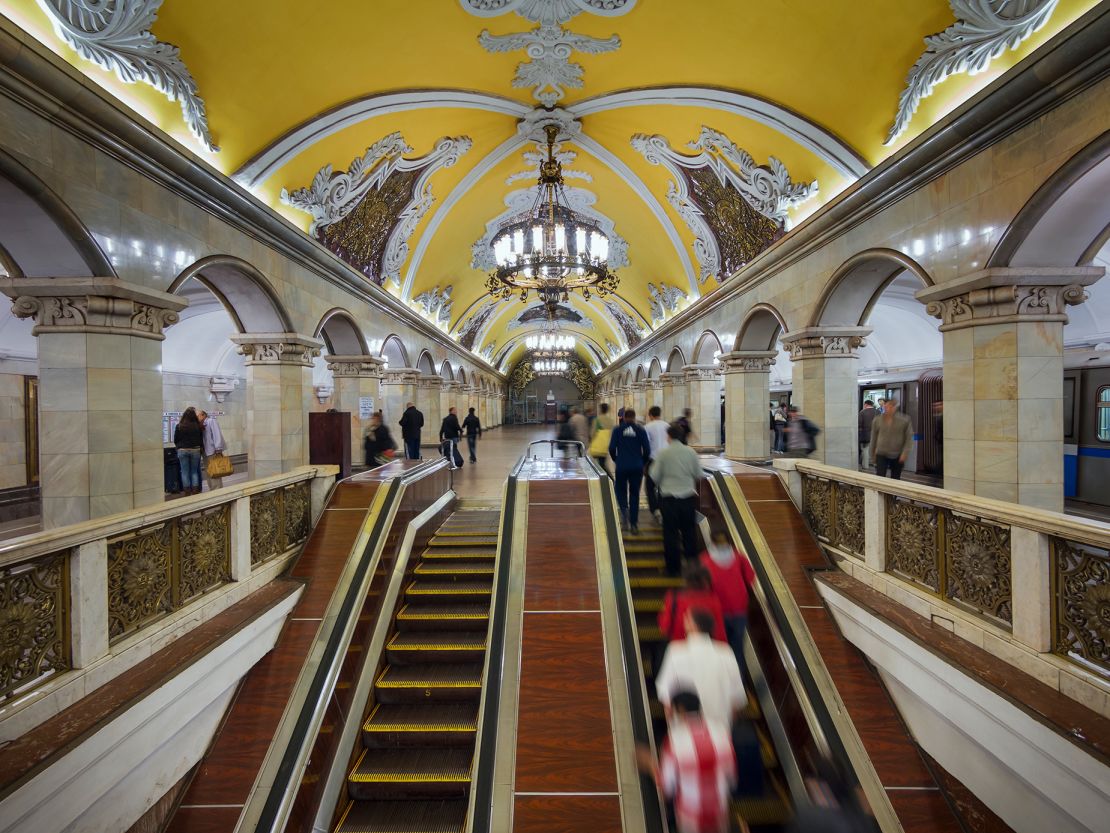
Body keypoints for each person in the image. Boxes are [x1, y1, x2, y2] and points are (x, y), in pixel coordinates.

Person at [640, 690, 736, 833]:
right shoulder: (721, 732)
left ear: (680, 710)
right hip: (719, 814)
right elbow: (731, 777)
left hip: (690, 817)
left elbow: (666, 787)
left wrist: (649, 764)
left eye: (671, 710)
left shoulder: (675, 740)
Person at [656, 608, 747, 731]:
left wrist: (672, 726)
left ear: (693, 625)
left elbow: (665, 694)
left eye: (687, 618)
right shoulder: (726, 652)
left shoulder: (675, 651)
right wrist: (728, 728)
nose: (684, 621)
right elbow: (737, 698)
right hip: (720, 730)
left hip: (685, 731)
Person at [650, 424, 702, 575]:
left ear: (669, 436)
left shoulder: (663, 453)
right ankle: (693, 568)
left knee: (670, 534)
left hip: (669, 500)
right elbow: (698, 474)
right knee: (689, 533)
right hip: (687, 499)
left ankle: (673, 569)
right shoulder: (690, 452)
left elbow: (654, 476)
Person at [700, 531, 756, 668]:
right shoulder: (738, 557)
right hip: (739, 610)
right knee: (737, 649)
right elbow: (750, 578)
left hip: (717, 612)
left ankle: (720, 680)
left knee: (718, 649)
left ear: (712, 543)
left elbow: (702, 587)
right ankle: (738, 681)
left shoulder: (705, 560)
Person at [658, 564, 726, 642]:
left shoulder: (673, 597)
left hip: (679, 645)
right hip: (706, 647)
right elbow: (719, 631)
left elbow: (664, 626)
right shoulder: (713, 600)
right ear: (706, 581)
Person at [609, 408, 651, 533]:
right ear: (634, 417)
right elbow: (647, 450)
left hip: (622, 466)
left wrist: (616, 460)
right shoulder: (640, 430)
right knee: (634, 494)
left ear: (624, 417)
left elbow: (612, 448)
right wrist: (642, 463)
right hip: (637, 466)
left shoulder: (617, 430)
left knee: (620, 490)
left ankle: (624, 512)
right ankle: (634, 524)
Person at [870, 397, 913, 479]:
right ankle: (880, 491)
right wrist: (872, 454)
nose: (887, 409)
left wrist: (905, 453)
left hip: (897, 453)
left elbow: (909, 438)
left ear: (895, 407)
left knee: (895, 478)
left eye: (890, 406)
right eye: (886, 406)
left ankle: (892, 492)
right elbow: (873, 437)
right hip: (881, 452)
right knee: (880, 476)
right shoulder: (877, 420)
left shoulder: (904, 419)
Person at [643, 406, 670, 524]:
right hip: (666, 460)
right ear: (660, 413)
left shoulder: (647, 427)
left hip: (653, 460)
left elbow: (645, 446)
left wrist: (644, 463)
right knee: (663, 486)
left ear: (650, 415)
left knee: (650, 486)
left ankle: (655, 509)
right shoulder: (667, 426)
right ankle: (663, 508)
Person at [173, 407, 204, 496]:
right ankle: (195, 490)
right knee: (194, 471)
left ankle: (187, 491)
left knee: (184, 471)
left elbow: (176, 439)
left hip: (183, 450)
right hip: (195, 450)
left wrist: (179, 447)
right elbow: (200, 439)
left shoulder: (179, 426)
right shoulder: (198, 426)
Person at [197, 409, 227, 491]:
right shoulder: (201, 424)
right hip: (205, 452)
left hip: (213, 451)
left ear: (203, 415)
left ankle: (217, 489)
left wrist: (218, 449)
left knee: (215, 471)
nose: (196, 417)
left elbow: (217, 434)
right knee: (209, 471)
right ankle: (212, 488)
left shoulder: (211, 421)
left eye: (198, 416)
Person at [589, 402, 615, 476]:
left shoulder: (597, 420)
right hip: (605, 446)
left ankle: (608, 479)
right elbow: (611, 434)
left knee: (594, 464)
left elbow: (592, 433)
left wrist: (590, 441)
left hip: (597, 446)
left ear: (600, 410)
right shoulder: (610, 421)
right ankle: (609, 479)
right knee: (602, 463)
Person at [857, 399, 877, 470]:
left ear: (865, 404)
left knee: (865, 450)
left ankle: (865, 466)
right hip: (877, 435)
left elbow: (859, 424)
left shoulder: (862, 412)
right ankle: (876, 464)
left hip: (865, 435)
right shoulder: (878, 412)